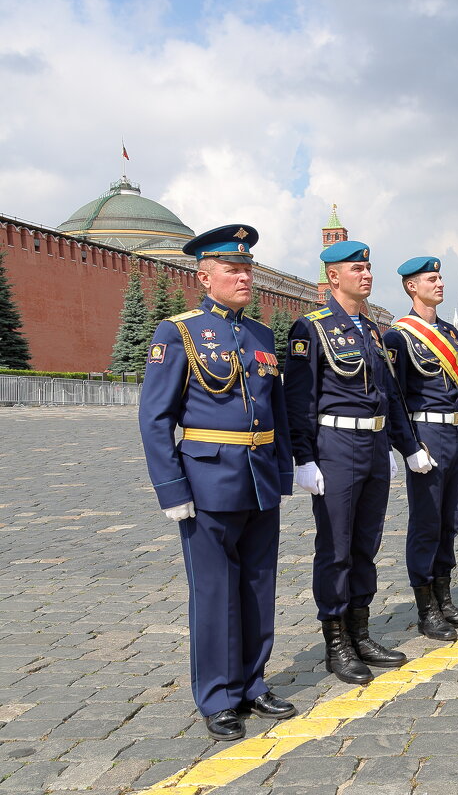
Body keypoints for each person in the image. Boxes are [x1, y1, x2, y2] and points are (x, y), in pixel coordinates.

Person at [139, 224, 295, 740]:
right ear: (205, 277)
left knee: (258, 585)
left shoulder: (262, 336)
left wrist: (286, 470)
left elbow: (279, 412)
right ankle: (218, 696)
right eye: (233, 269)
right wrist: (172, 489)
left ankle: (252, 683)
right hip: (207, 481)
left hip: (258, 480)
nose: (244, 276)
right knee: (214, 593)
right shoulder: (178, 331)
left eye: (248, 268)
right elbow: (155, 417)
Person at [285, 240, 408, 686]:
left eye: (369, 268)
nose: (367, 275)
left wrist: (396, 446)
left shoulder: (372, 330)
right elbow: (299, 399)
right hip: (335, 446)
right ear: (333, 276)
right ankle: (336, 642)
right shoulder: (311, 327)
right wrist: (304, 458)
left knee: (365, 545)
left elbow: (388, 395)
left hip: (373, 447)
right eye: (357, 268)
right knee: (335, 548)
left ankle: (361, 632)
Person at [383, 256, 458, 641]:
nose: (440, 284)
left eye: (441, 278)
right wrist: (409, 446)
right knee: (427, 523)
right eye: (432, 279)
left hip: (456, 434)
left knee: (450, 521)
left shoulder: (451, 333)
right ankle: (427, 608)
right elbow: (395, 397)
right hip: (427, 434)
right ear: (412, 287)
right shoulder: (399, 335)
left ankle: (445, 597)